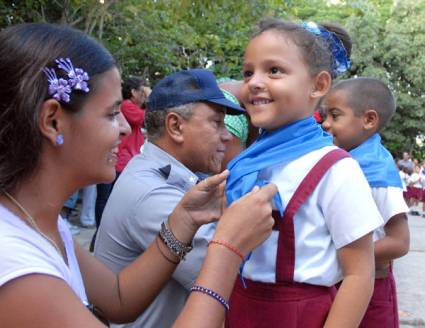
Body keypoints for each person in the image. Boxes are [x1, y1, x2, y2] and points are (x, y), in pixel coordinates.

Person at [0, 22, 278, 327]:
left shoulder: (42, 223)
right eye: (110, 114)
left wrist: (182, 221)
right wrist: (228, 249)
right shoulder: (16, 264)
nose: (123, 127)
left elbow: (118, 299)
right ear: (53, 122)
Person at [225, 18, 384, 327]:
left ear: (319, 85)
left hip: (299, 316)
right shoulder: (245, 163)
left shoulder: (337, 168)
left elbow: (359, 273)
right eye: (248, 72)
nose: (254, 82)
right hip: (240, 305)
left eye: (274, 70)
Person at [94, 68, 246, 327]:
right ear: (175, 126)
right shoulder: (152, 193)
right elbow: (231, 277)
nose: (226, 135)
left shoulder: (160, 175)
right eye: (216, 122)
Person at [321, 77, 410, 327]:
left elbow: (399, 243)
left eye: (335, 116)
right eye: (325, 115)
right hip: (336, 283)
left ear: (369, 120)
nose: (326, 124)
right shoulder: (339, 163)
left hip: (373, 289)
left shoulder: (377, 173)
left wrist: (340, 255)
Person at [92, 77, 150, 251]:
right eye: (112, 114)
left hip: (123, 161)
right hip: (118, 161)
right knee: (106, 200)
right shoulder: (126, 105)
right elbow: (145, 118)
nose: (122, 128)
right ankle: (100, 236)